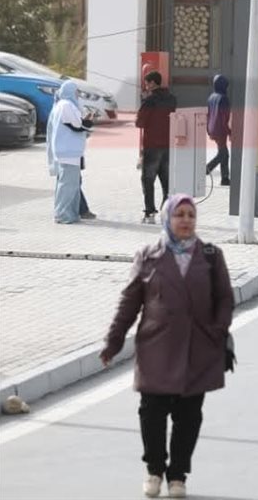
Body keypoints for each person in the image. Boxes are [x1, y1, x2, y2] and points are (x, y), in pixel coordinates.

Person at [101, 194, 234, 499]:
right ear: (167, 219)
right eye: (179, 215)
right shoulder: (148, 256)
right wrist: (113, 341)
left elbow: (225, 298)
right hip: (157, 348)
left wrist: (217, 331)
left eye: (191, 215)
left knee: (189, 416)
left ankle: (178, 476)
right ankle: (154, 469)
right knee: (152, 413)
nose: (186, 220)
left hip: (197, 349)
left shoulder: (211, 256)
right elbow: (129, 302)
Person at [46, 80, 93, 224]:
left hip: (68, 152)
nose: (78, 94)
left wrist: (84, 122)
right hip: (68, 152)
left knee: (70, 185)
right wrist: (87, 122)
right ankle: (63, 214)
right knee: (67, 186)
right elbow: (77, 125)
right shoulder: (66, 105)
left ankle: (71, 213)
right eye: (76, 91)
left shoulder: (63, 105)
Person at [137, 71, 178, 225]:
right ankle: (166, 211)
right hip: (168, 145)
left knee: (148, 180)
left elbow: (140, 122)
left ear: (153, 83)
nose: (146, 86)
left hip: (152, 146)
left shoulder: (150, 101)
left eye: (147, 83)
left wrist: (143, 102)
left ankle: (149, 213)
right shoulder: (172, 99)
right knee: (166, 181)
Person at [204, 74, 231, 186]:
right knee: (223, 154)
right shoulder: (223, 99)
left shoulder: (211, 97)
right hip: (220, 129)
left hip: (212, 128)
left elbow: (208, 114)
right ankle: (207, 168)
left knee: (223, 153)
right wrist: (229, 131)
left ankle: (225, 179)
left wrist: (208, 129)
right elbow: (224, 117)